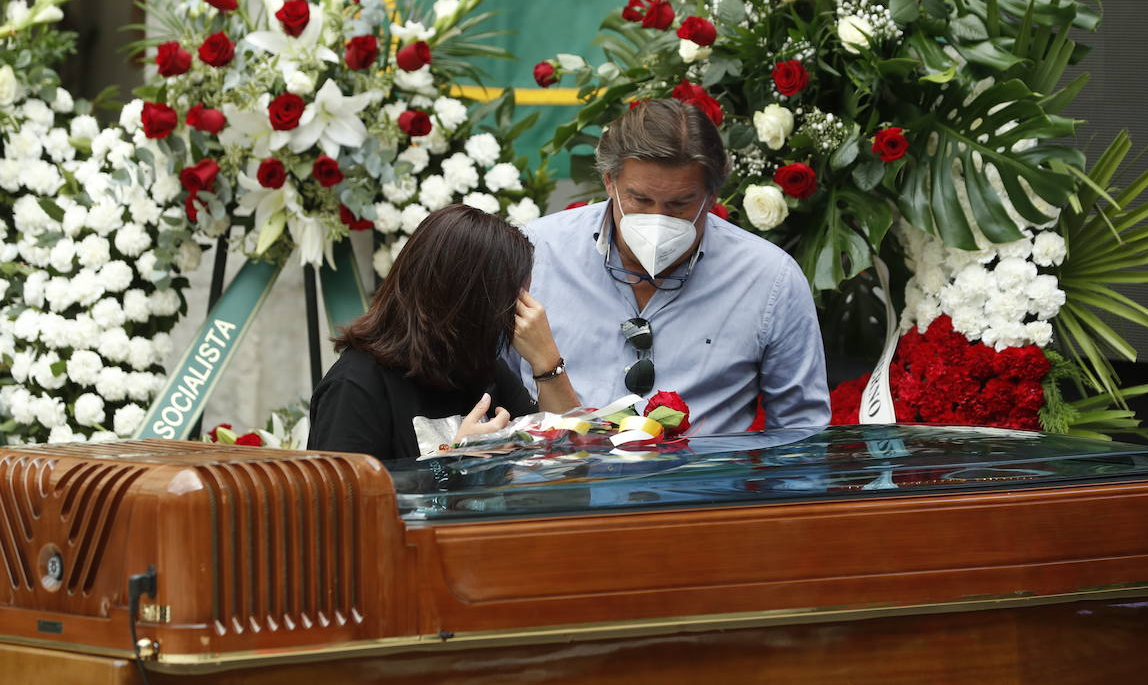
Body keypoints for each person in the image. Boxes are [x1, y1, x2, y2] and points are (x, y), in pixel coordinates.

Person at [507, 98, 829, 435]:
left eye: (679, 204)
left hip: (704, 485)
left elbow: (799, 432)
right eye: (640, 199)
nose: (657, 220)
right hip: (555, 483)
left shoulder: (769, 279)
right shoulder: (534, 253)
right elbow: (486, 393)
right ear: (609, 182)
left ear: (712, 196)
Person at [309, 204, 578, 461]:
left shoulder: (482, 367)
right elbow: (342, 504)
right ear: (468, 301)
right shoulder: (356, 386)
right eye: (512, 299)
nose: (518, 313)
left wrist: (547, 361)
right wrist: (452, 463)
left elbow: (570, 457)